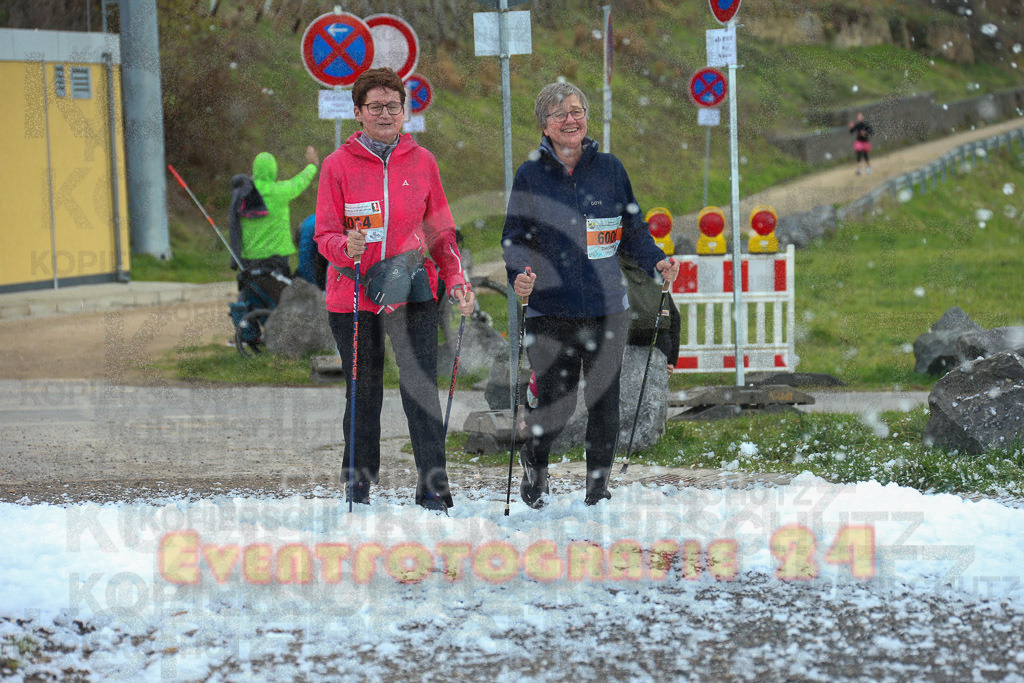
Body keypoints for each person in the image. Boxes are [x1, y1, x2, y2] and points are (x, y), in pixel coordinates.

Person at [502, 81, 680, 508]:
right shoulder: (531, 175)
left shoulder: (610, 169)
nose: (570, 120)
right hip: (551, 309)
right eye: (560, 113)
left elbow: (632, 229)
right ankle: (535, 460)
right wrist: (518, 275)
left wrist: (656, 259)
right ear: (544, 125)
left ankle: (597, 489)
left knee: (604, 403)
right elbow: (514, 238)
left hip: (606, 308)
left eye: (577, 111)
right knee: (556, 406)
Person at [314, 67, 475, 512]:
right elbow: (322, 235)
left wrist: (457, 280)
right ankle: (358, 491)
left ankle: (434, 493)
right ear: (358, 113)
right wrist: (345, 246)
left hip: (412, 289)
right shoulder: (337, 165)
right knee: (363, 393)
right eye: (375, 106)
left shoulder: (423, 162)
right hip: (353, 294)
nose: (385, 114)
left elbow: (442, 232)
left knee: (420, 390)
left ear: (405, 112)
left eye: (393, 106)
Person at [229, 145, 319, 277]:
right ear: (274, 169)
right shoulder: (280, 191)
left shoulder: (244, 194)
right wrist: (312, 165)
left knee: (254, 292)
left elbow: (234, 224)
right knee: (278, 293)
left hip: (250, 257)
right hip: (278, 257)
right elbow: (300, 181)